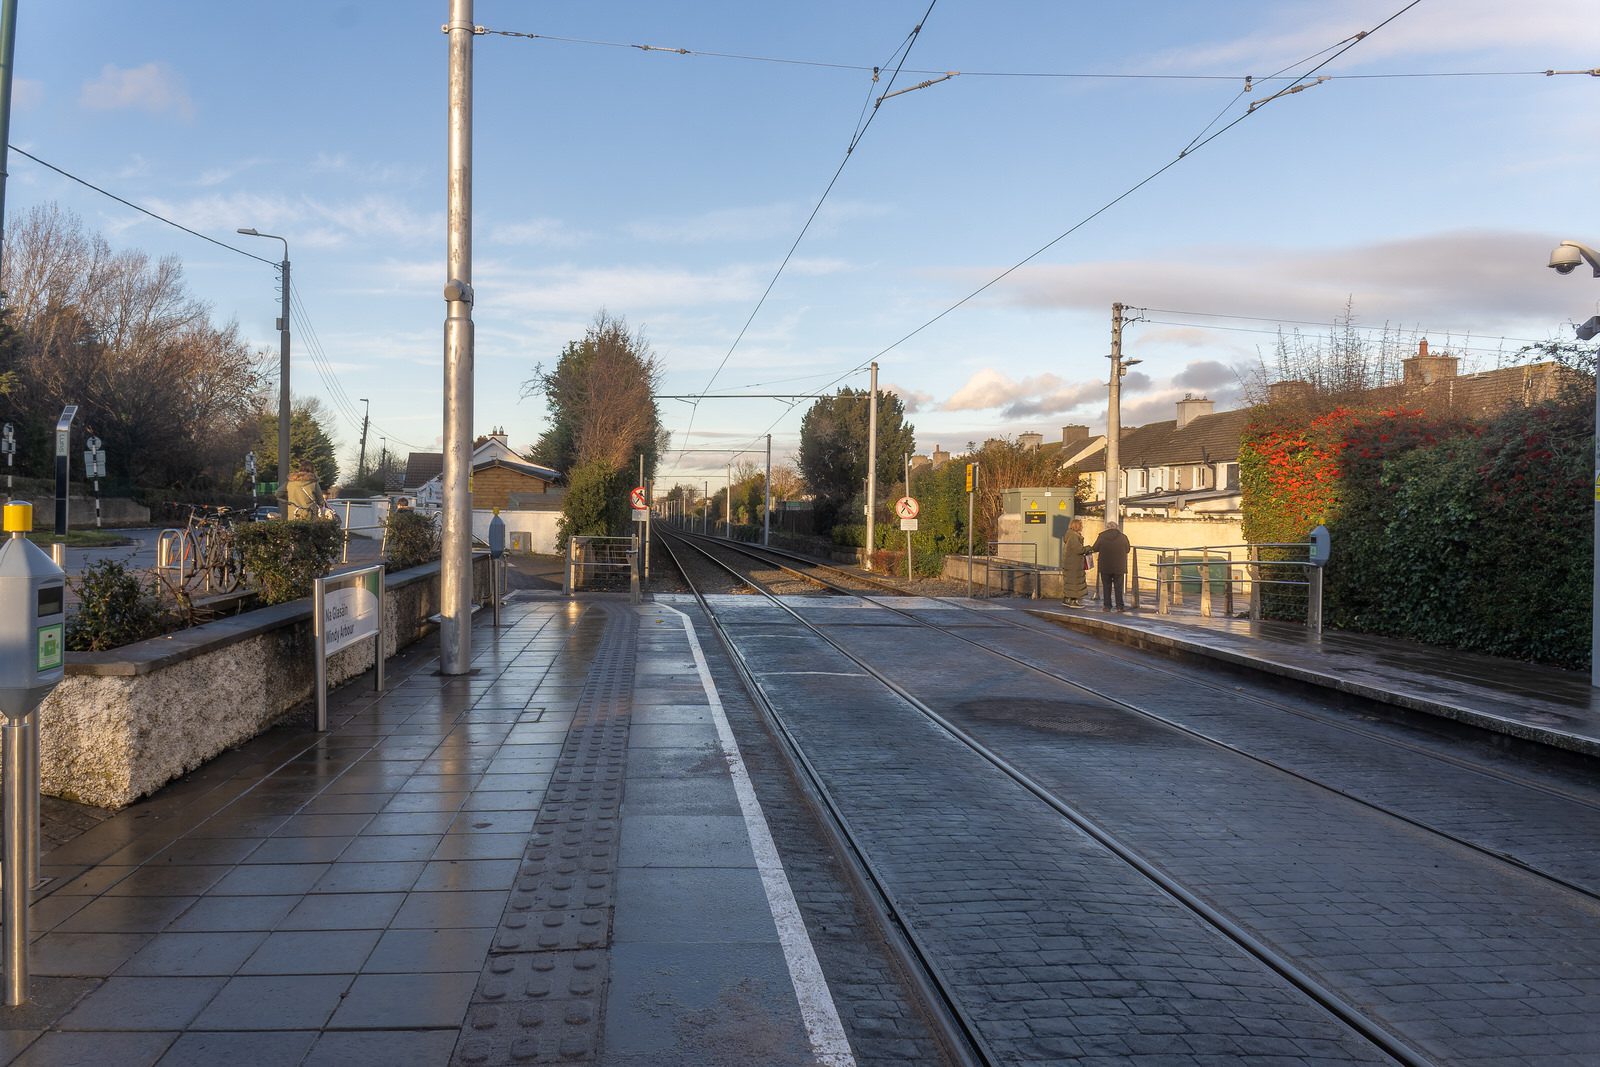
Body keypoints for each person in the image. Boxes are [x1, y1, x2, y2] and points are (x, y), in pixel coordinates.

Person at [1090, 520, 1131, 611]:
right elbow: (1128, 549)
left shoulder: (1102, 536)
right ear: (1117, 527)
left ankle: (1107, 606)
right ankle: (1120, 606)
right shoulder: (1123, 537)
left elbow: (1095, 548)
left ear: (1107, 528)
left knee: (1106, 587)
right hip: (1119, 566)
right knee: (1118, 587)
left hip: (1105, 566)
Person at [1060, 518, 1089, 607]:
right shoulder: (1074, 536)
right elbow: (1078, 550)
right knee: (1074, 583)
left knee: (1069, 582)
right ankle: (1073, 601)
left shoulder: (1070, 535)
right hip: (1074, 564)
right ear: (1077, 526)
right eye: (1081, 525)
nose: (1082, 527)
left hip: (1070, 563)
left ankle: (1066, 599)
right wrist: (1088, 548)